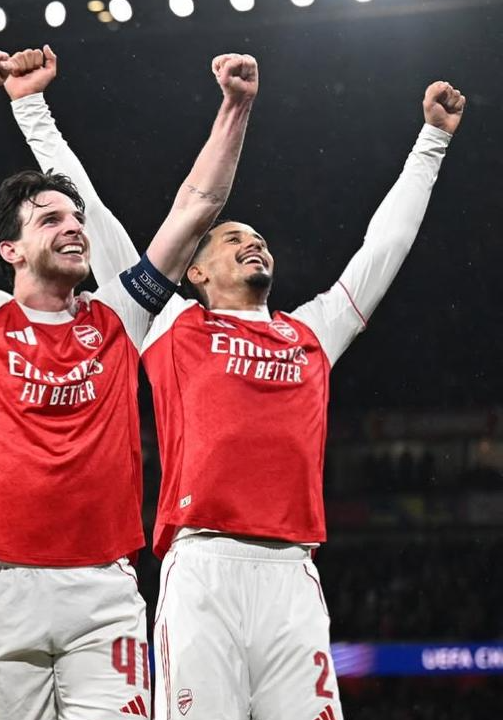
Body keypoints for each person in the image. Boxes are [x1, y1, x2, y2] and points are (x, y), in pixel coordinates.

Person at [0, 44, 256, 719]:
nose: (74, 228)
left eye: (76, 220)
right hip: (3, 587)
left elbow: (198, 207)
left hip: (106, 592)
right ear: (11, 250)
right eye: (52, 220)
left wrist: (236, 107)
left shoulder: (119, 317)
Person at [143, 81, 465, 720]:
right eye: (233, 238)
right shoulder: (171, 325)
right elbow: (109, 235)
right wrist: (33, 112)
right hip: (203, 563)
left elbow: (383, 248)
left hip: (293, 571)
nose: (253, 242)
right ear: (196, 272)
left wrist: (432, 140)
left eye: (259, 238)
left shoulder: (314, 330)